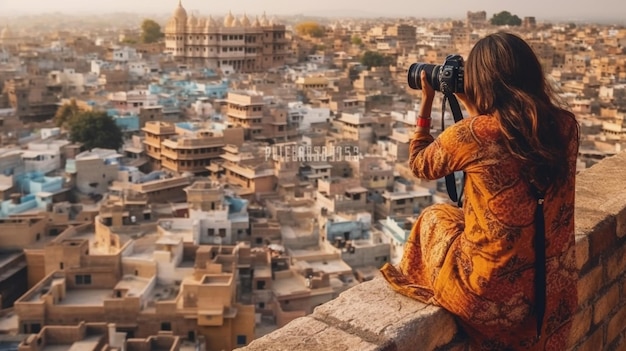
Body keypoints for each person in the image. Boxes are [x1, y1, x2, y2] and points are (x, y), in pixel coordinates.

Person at [379, 32, 579, 350]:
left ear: (481, 82)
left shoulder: (474, 134)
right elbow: (512, 144)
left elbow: (419, 164)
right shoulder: (566, 126)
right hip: (555, 295)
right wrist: (473, 106)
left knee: (434, 217)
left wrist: (427, 100)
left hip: (493, 301)